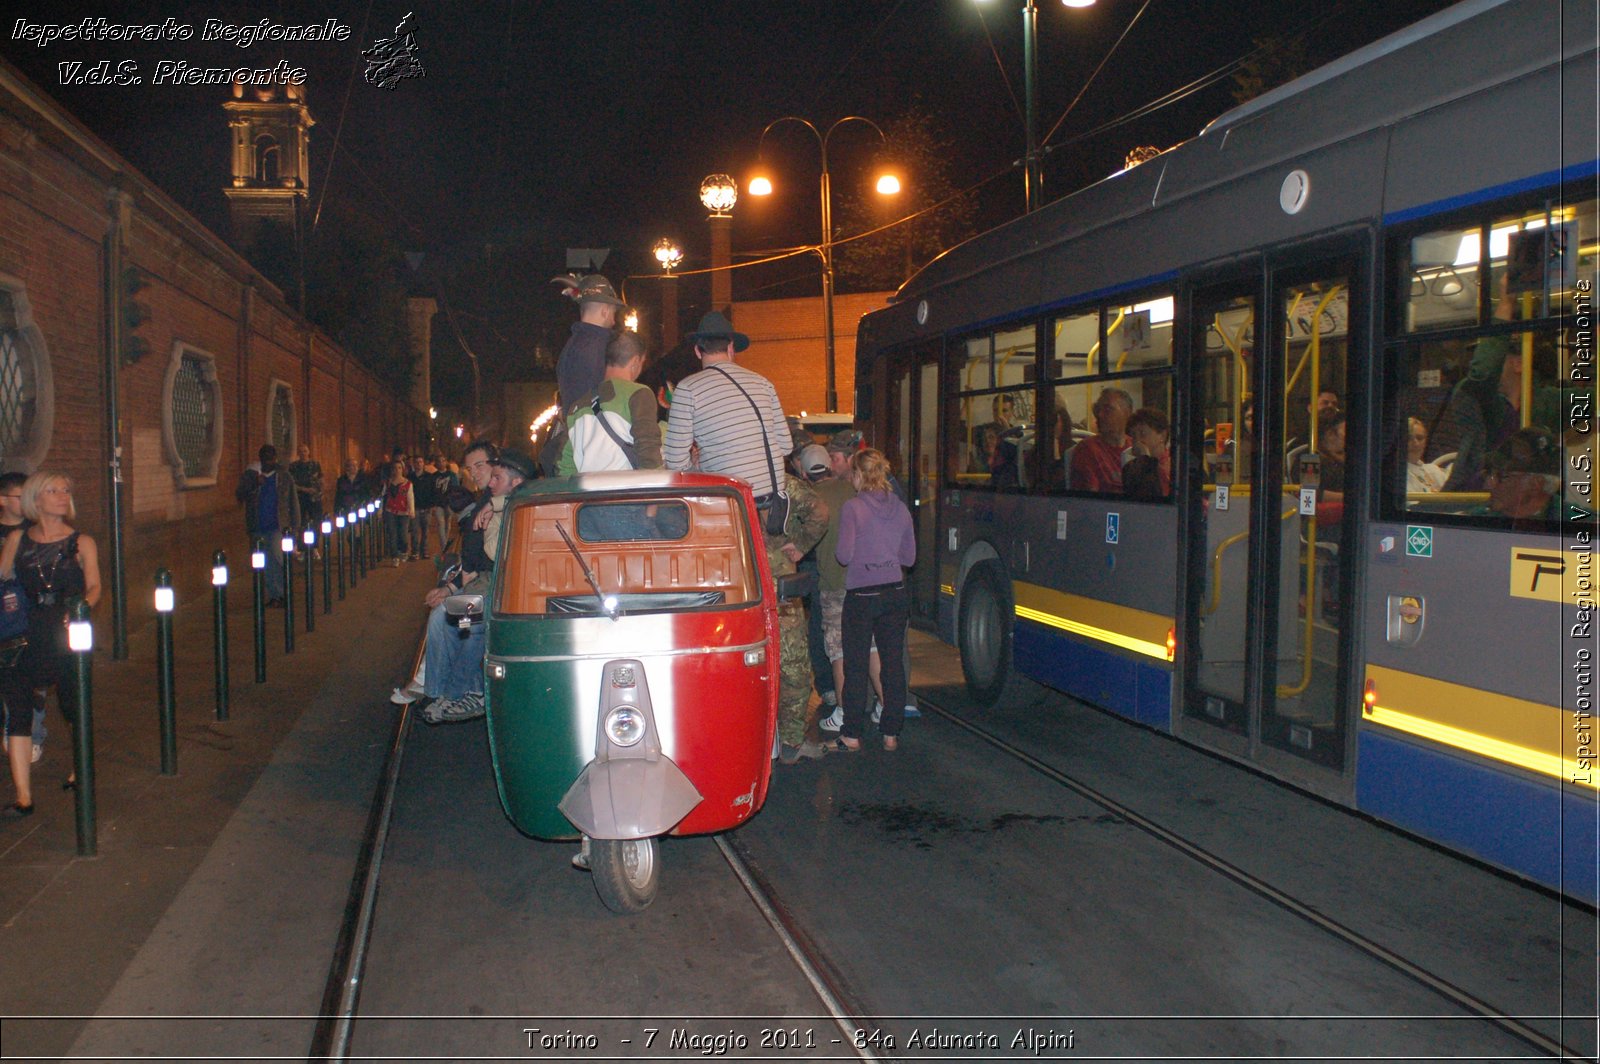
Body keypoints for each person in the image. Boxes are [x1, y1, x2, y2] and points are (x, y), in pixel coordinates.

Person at [0, 472, 101, 810]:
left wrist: (81, 607)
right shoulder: (18, 539)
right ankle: (23, 797)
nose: (61, 495)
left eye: (65, 490)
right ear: (35, 499)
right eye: (52, 490)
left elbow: (95, 585)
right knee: (17, 710)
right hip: (24, 631)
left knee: (73, 704)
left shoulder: (81, 542)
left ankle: (81, 770)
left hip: (65, 630)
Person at [421, 448, 533, 724]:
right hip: (490, 584)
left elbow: (493, 552)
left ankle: (463, 692)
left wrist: (493, 508)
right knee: (448, 616)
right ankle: (439, 692)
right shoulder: (492, 501)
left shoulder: (510, 504)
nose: (487, 480)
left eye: (495, 475)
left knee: (461, 621)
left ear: (514, 482)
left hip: (502, 589)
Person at [833, 449, 915, 753]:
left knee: (855, 664)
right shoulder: (902, 509)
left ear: (857, 475)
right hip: (894, 594)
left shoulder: (853, 508)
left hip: (862, 596)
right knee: (892, 664)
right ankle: (891, 732)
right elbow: (910, 557)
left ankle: (852, 734)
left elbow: (843, 555)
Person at [662, 312, 791, 500]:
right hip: (773, 498)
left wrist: (698, 466)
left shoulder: (688, 389)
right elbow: (786, 447)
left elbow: (675, 463)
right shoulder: (763, 383)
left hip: (732, 500)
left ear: (698, 351)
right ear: (731, 348)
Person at [541, 273, 625, 473]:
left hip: (576, 446)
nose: (614, 321)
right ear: (604, 311)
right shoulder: (603, 347)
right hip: (598, 452)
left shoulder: (570, 348)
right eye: (613, 313)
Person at [557, 330, 663, 474]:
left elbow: (564, 465)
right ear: (635, 362)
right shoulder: (639, 394)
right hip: (625, 492)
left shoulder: (578, 405)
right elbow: (648, 448)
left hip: (589, 494)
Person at [236, 444, 300, 606]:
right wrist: (254, 484)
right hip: (257, 526)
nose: (267, 462)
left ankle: (284, 592)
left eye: (270, 458)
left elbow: (293, 502)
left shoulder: (284, 477)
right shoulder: (252, 475)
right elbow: (240, 495)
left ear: (275, 459)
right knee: (265, 562)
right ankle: (274, 595)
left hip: (278, 525)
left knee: (278, 559)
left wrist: (295, 527)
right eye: (264, 458)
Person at [1069, 388, 1133, 492]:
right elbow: (1091, 498)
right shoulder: (1087, 449)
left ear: (1127, 413)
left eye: (1108, 410)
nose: (1100, 415)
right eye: (1098, 410)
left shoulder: (1136, 447)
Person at [1124, 407, 1172, 499]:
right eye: (1133, 436)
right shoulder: (1130, 469)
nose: (1137, 440)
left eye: (1142, 433)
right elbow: (1148, 496)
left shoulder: (1178, 464)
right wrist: (1144, 459)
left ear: (1162, 435)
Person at [381, 461, 414, 566]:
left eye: (399, 468)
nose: (397, 470)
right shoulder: (388, 483)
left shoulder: (408, 483)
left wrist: (411, 510)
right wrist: (380, 510)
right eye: (395, 468)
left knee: (403, 533)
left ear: (402, 469)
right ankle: (394, 556)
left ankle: (403, 550)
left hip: (403, 511)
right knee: (392, 533)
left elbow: (410, 497)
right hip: (390, 510)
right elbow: (383, 496)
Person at [1405, 417, 1446, 493]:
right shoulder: (1397, 475)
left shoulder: (1433, 470)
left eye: (1420, 438)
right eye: (1408, 438)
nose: (1415, 443)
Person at [287, 443, 324, 527]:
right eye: (301, 451)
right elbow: (291, 483)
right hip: (300, 497)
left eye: (305, 451)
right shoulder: (293, 466)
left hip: (314, 497)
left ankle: (316, 538)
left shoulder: (315, 464)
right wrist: (304, 489)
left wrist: (320, 490)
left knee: (316, 521)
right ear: (298, 453)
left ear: (308, 452)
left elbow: (321, 479)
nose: (303, 453)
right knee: (301, 521)